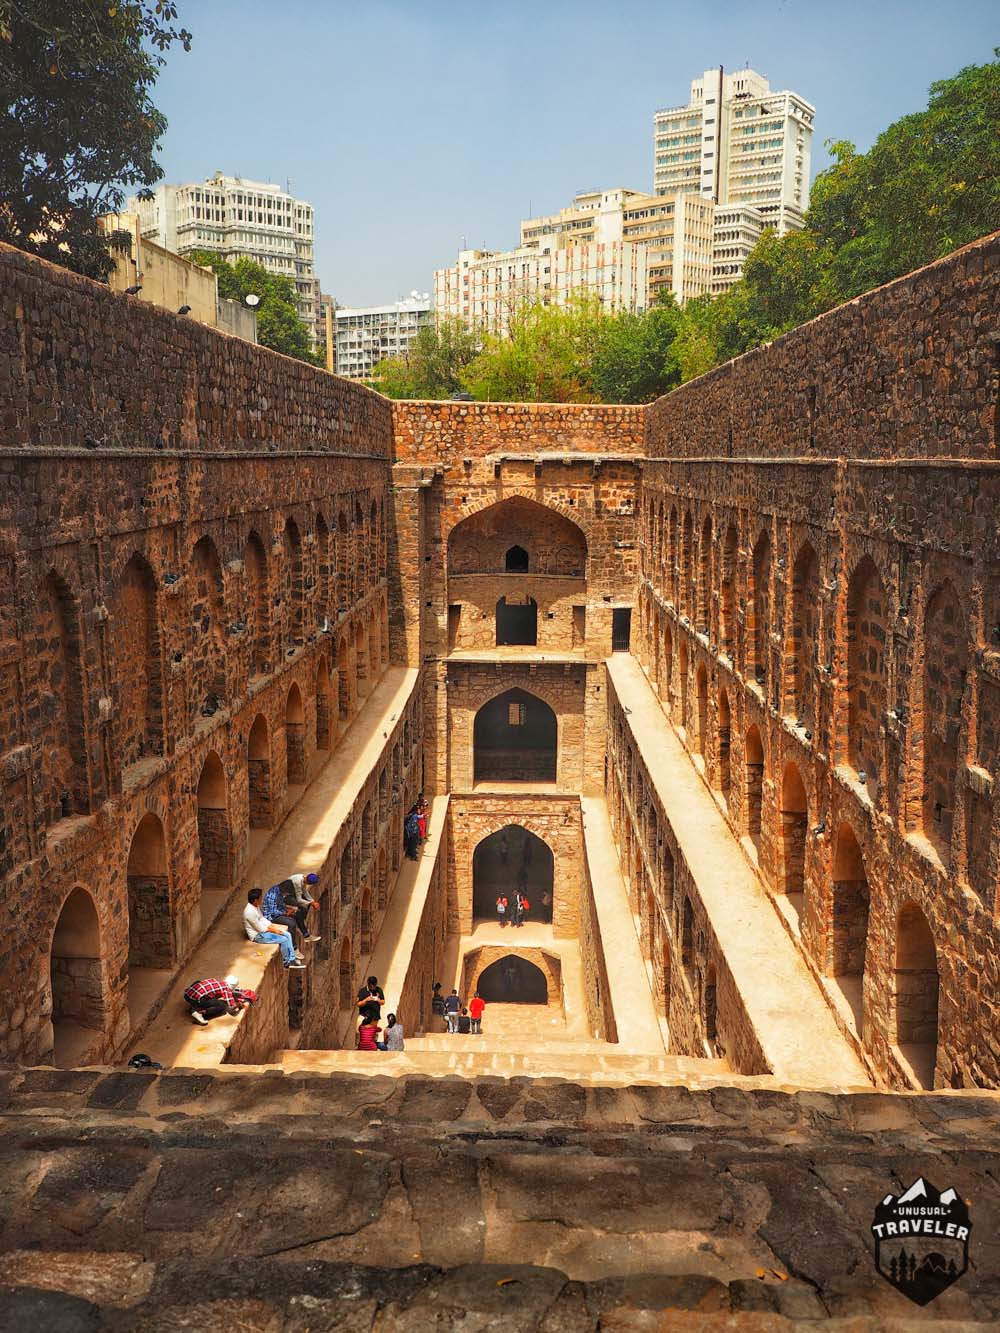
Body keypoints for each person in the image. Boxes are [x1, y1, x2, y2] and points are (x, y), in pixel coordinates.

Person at [243, 888, 305, 968]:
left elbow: (262, 918)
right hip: (258, 936)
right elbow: (260, 929)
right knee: (284, 939)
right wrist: (276, 931)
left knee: (288, 934)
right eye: (260, 898)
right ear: (255, 900)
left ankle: (292, 959)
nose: (262, 899)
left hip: (263, 930)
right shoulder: (249, 912)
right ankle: (287, 962)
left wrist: (270, 925)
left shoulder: (255, 906)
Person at [183, 975, 258, 1026]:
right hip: (195, 1001)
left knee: (198, 982)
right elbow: (232, 1007)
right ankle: (199, 1012)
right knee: (222, 1006)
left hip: (187, 995)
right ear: (232, 986)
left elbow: (212, 991)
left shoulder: (215, 981)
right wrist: (240, 1006)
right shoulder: (226, 989)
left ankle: (194, 1003)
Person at [277, 873, 322, 942]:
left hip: (290, 894)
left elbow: (304, 892)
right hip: (284, 897)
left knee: (306, 905)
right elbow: (299, 900)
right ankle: (305, 934)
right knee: (299, 911)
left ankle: (301, 923)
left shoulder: (302, 878)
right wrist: (311, 903)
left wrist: (312, 901)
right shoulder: (297, 882)